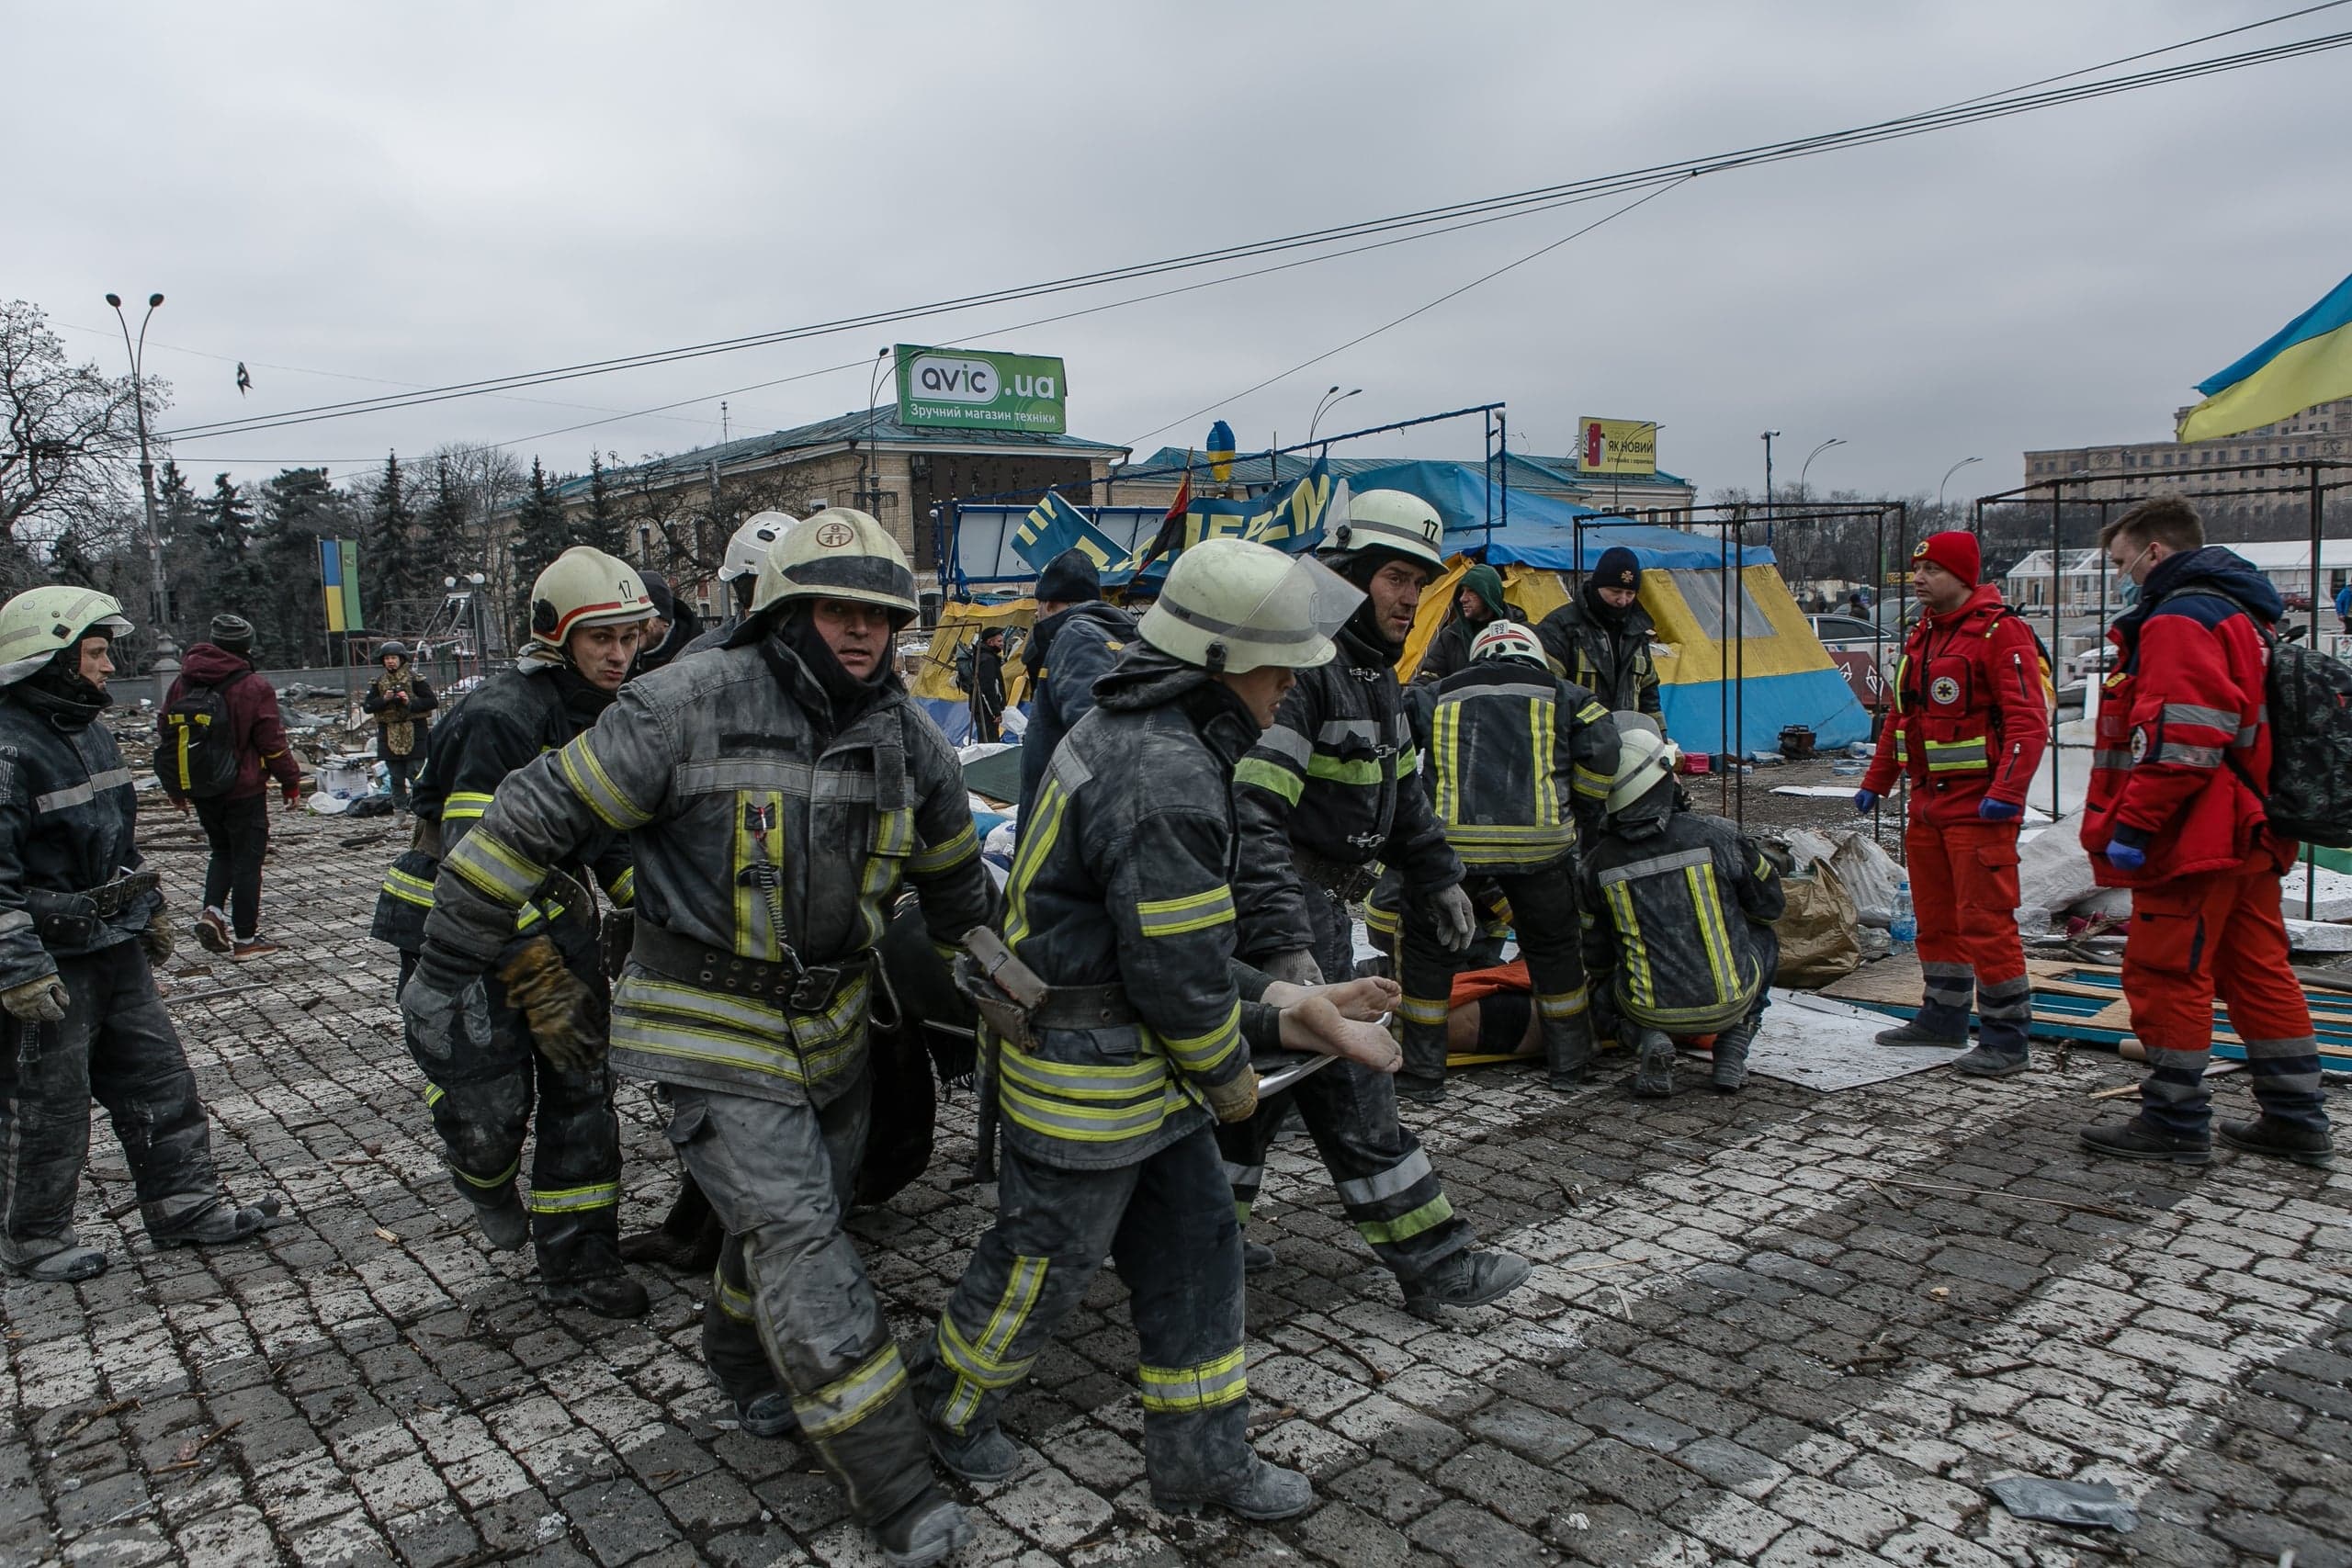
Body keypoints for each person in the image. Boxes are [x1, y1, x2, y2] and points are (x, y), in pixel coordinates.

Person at [405, 510, 995, 1566]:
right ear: (784, 611)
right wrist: (448, 969)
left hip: (835, 1023)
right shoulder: (678, 705)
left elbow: (961, 899)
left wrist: (1021, 995)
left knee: (778, 1227)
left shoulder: (910, 741)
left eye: (880, 615)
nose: (861, 634)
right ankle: (892, 1482)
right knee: (804, 1236)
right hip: (707, 1019)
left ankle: (739, 1359)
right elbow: (524, 823)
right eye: (837, 610)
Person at [916, 537, 1400, 1522]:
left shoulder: (1147, 730)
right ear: (1220, 665)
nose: (1285, 691)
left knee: (1198, 1248)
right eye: (1276, 670)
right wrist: (1232, 1076)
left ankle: (1203, 1465)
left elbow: (1166, 947)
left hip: (1127, 1063)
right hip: (1089, 1079)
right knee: (1039, 1264)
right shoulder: (1166, 775)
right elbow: (1174, 980)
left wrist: (1292, 1004)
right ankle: (945, 1409)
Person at [1228, 488, 1530, 1314]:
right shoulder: (1309, 674)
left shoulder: (1374, 675)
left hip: (1315, 908)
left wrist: (1438, 873)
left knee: (1264, 1088)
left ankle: (1202, 1236)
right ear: (1351, 572)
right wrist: (1287, 942)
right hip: (1286, 908)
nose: (1408, 596)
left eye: (1418, 581)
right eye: (1395, 576)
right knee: (1355, 1086)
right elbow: (1254, 815)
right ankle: (1439, 1264)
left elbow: (1403, 795)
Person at [380, 547, 650, 1320]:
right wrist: (538, 969)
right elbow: (477, 870)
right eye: (602, 638)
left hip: (554, 933)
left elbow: (603, 834)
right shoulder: (500, 716)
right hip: (463, 937)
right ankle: (484, 1173)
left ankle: (580, 1263)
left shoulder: (602, 717)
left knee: (581, 1094)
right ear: (555, 635)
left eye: (629, 637)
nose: (620, 655)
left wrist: (648, 906)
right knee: (491, 1108)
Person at [0, 587, 281, 1281]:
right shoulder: (8, 749)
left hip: (111, 946)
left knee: (159, 1080)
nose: (105, 666)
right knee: (46, 1103)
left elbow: (113, 837)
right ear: (50, 660)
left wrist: (144, 902)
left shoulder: (87, 730)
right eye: (93, 653)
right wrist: (17, 967)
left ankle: (184, 1206)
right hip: (51, 956)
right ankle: (33, 1239)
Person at [2078, 498, 2332, 1167]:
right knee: (2257, 970)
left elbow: (2187, 736)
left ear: (2154, 552)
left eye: (2122, 560)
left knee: (2167, 972)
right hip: (2246, 830)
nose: (2123, 573)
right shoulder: (2244, 615)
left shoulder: (2179, 618)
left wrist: (2135, 822)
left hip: (2194, 836)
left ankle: (2173, 1118)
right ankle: (2295, 1114)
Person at [1852, 531, 2048, 1077]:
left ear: (1963, 577)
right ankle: (1944, 1015)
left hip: (1979, 810)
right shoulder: (1924, 636)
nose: (1919, 579)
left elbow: (2028, 725)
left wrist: (2006, 794)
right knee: (1936, 918)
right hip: (1929, 807)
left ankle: (2007, 1036)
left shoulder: (1999, 633)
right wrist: (1878, 779)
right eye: (1918, 569)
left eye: (1932, 570)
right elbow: (1901, 719)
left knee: (1986, 921)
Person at [1398, 620, 1617, 1100]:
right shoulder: (1568, 696)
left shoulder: (1435, 695)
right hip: (1540, 850)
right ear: (1535, 655)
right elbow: (1604, 747)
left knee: (1428, 956)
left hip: (1451, 852)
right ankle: (1569, 1064)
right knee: (1554, 952)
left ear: (1479, 655)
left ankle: (1422, 1074)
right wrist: (1583, 812)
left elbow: (1393, 744)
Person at [1582, 718, 1785, 1094]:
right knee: (1764, 938)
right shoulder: (1719, 834)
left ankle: (1647, 1040)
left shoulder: (1597, 863)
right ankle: (1735, 1044)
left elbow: (1594, 954)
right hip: (1730, 1002)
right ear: (1658, 780)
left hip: (1646, 1007)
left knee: (1599, 991)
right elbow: (1769, 908)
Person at [157, 612, 304, 960]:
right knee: (248, 861)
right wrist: (291, 781)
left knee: (221, 851)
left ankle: (213, 912)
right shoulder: (254, 687)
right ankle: (246, 939)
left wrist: (176, 787)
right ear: (246, 647)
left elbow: (166, 733)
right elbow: (271, 741)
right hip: (244, 788)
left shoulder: (182, 682)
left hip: (202, 786)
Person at [1016, 547, 1136, 819]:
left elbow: (1094, 745)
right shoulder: (1114, 637)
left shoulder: (1077, 637)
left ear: (1047, 603)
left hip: (1064, 822)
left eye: (1038, 605)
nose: (1036, 615)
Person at [1536, 547, 1663, 720]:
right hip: (1577, 740)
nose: (1623, 600)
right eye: (1615, 592)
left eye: (1630, 593)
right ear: (1597, 586)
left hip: (1628, 738)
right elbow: (1546, 690)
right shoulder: (1562, 627)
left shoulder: (1637, 632)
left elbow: (1649, 695)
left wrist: (1659, 739)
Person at [363, 640, 438, 813]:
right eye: (387, 658)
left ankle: (423, 808)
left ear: (401, 659)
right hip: (389, 734)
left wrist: (409, 702)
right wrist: (384, 700)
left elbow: (432, 702)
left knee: (416, 773)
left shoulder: (415, 679)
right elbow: (367, 706)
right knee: (395, 776)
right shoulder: (379, 682)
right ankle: (399, 810)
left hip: (414, 732)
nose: (390, 661)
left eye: (394, 658)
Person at [1416, 561, 1515, 683]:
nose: (1463, 598)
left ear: (1489, 594)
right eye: (1462, 592)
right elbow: (1429, 677)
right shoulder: (1451, 636)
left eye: (1471, 591)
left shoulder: (1519, 634)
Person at [629, 568, 705, 677]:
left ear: (665, 621)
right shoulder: (622, 659)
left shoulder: (697, 660)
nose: (633, 624)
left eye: (643, 617)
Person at [967, 624, 1007, 743]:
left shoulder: (984, 657)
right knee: (989, 743)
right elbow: (988, 688)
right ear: (990, 642)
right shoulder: (987, 660)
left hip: (983, 708)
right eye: (999, 641)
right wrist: (995, 712)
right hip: (986, 710)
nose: (1002, 644)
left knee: (986, 741)